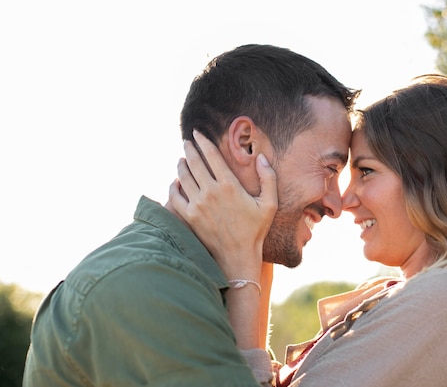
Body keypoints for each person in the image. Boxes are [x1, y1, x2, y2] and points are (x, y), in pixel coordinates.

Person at [172, 74, 447, 386]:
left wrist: (244, 268)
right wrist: (263, 242)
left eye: (366, 171)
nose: (347, 199)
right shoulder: (416, 299)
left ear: (433, 180)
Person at [22, 44, 358, 387]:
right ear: (246, 144)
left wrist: (252, 266)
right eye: (330, 168)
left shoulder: (202, 279)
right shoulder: (149, 286)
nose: (336, 203)